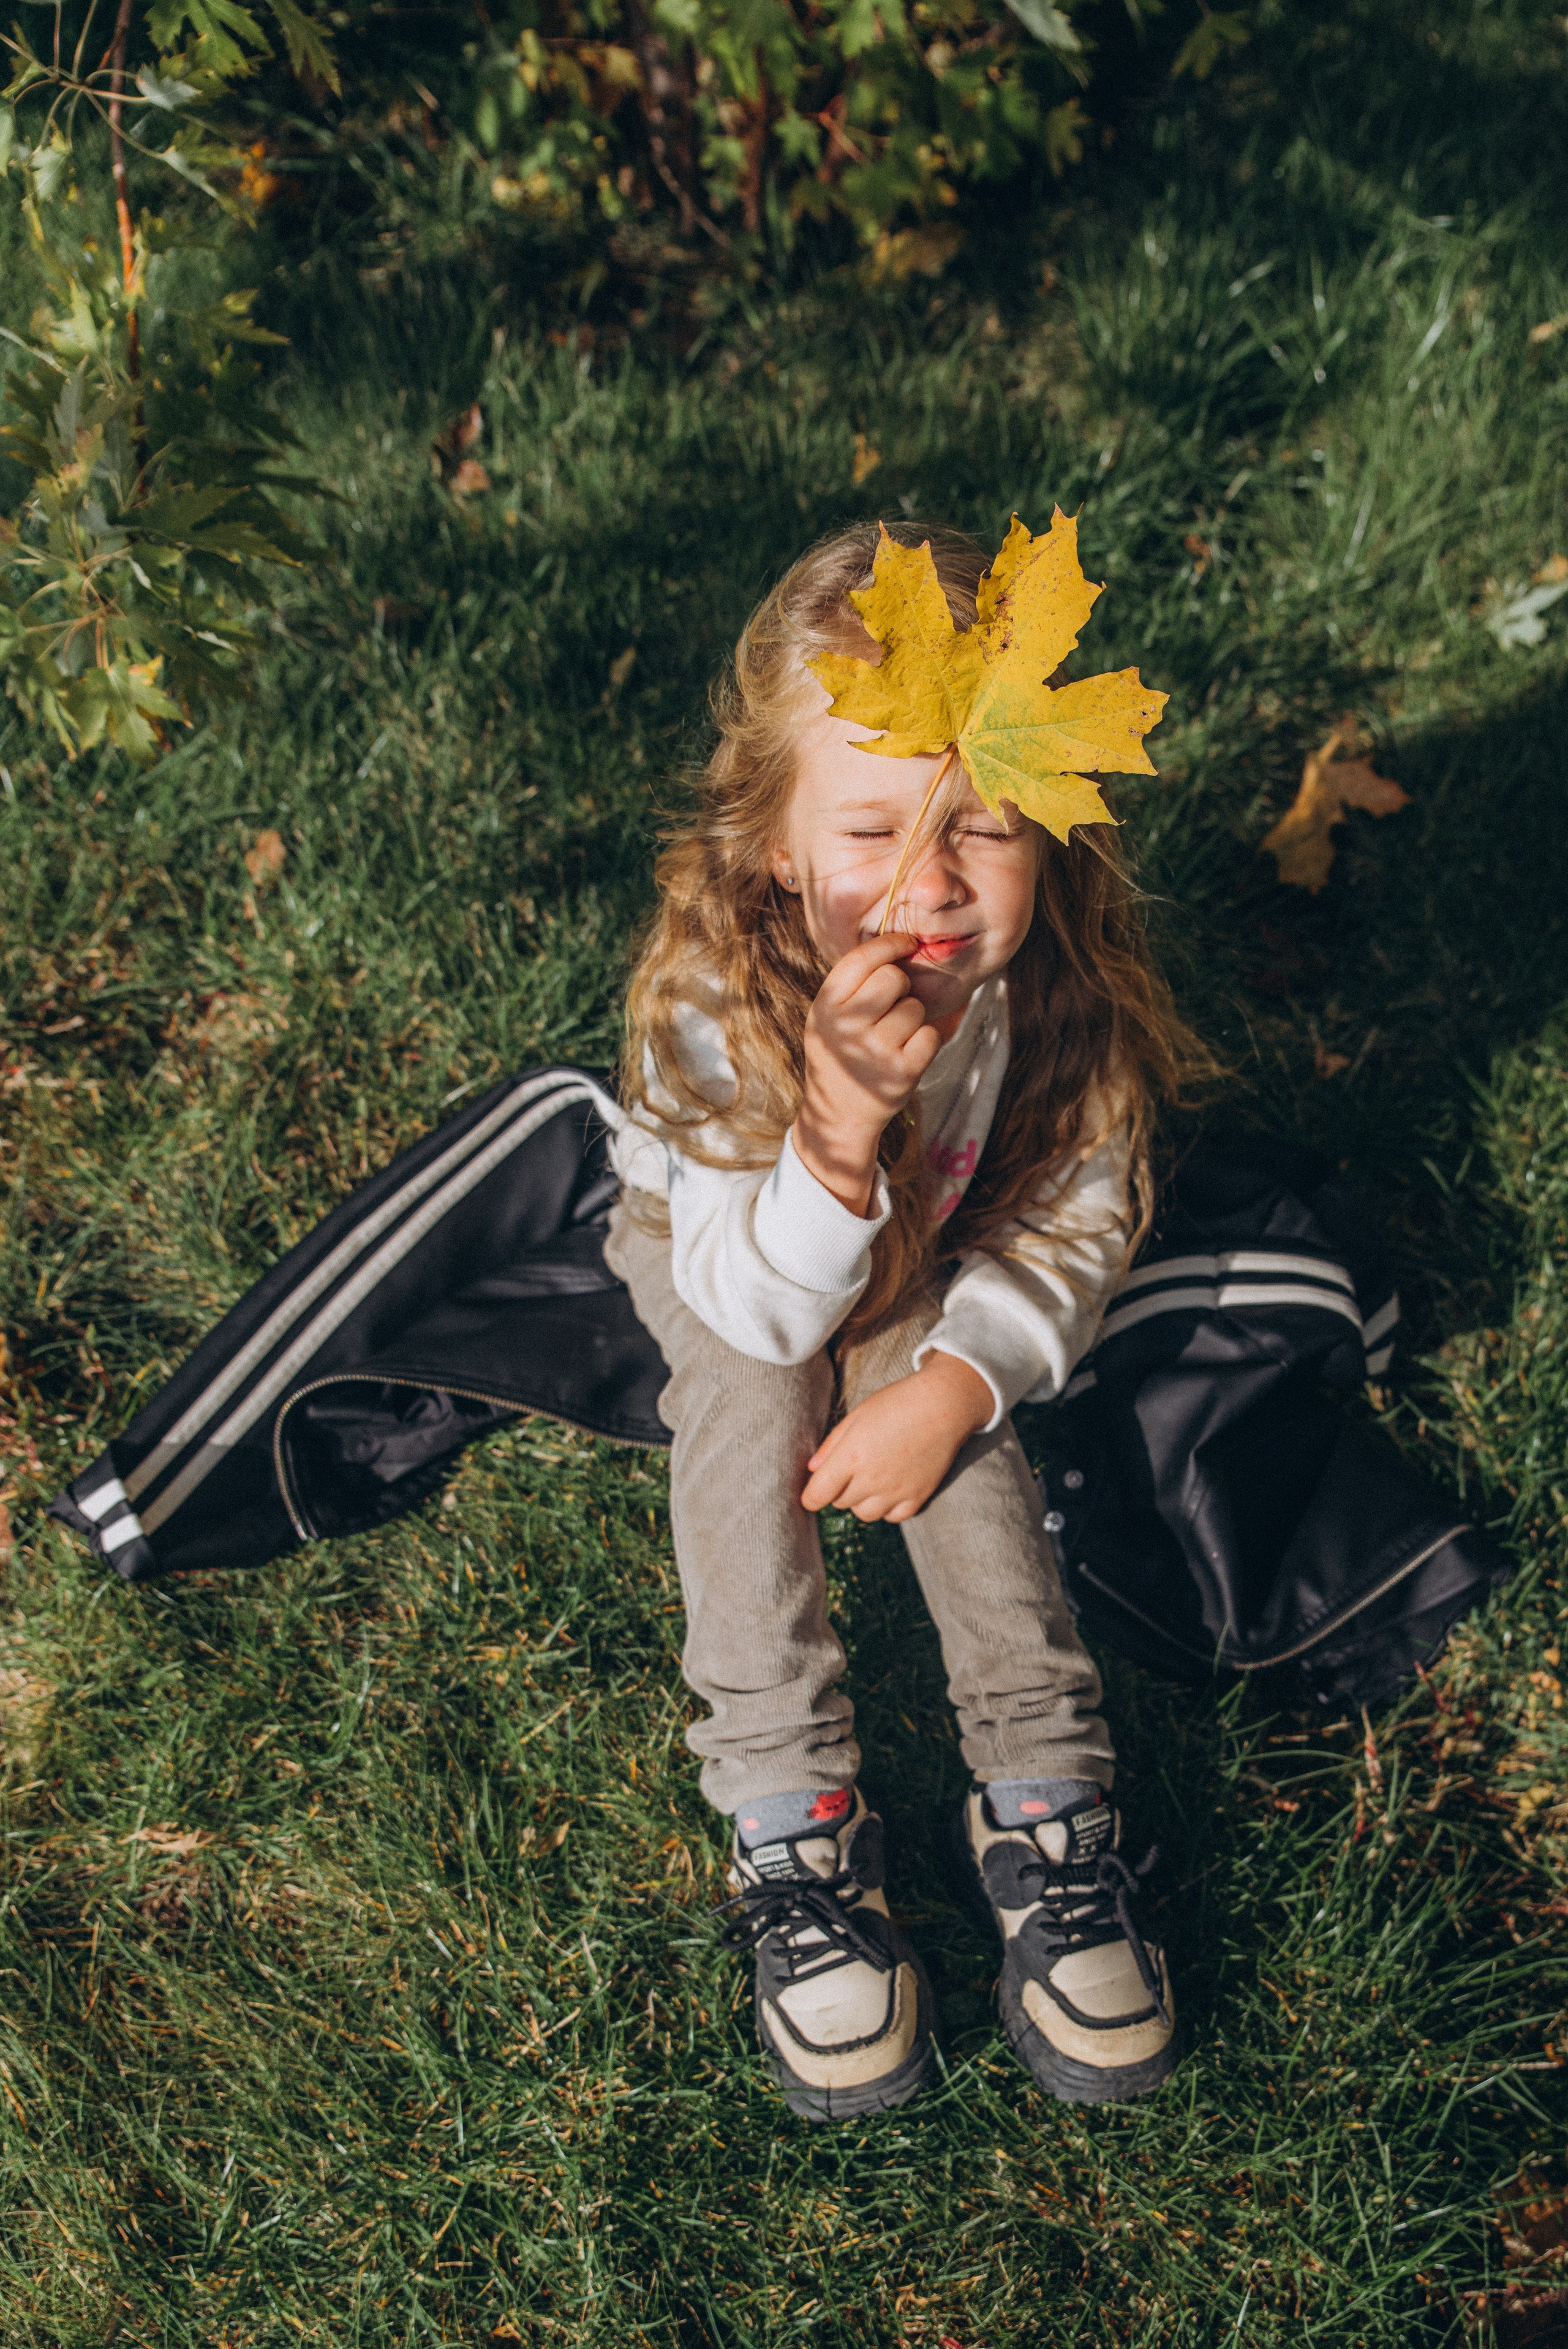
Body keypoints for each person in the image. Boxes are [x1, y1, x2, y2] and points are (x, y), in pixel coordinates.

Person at [605, 519, 1196, 2122]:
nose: (930, 880)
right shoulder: (720, 998)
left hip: (922, 1238)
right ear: (777, 844)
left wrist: (958, 1375)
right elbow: (756, 1297)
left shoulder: (1042, 984)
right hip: (727, 1231)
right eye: (875, 826)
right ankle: (790, 1815)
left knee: (951, 1416)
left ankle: (1047, 1800)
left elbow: (1080, 1214)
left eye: (984, 829)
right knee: (744, 1401)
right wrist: (843, 1120)